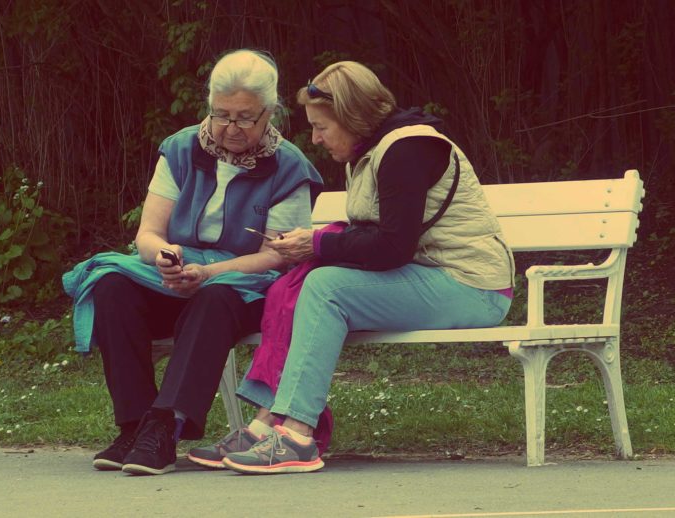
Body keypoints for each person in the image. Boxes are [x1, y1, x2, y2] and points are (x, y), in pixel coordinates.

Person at [216, 61, 515, 474]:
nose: (316, 138)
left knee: (326, 288)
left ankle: (297, 435)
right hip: (431, 277)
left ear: (352, 117)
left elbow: (392, 247)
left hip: (472, 287)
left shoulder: (408, 149)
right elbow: (374, 236)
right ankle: (267, 423)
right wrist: (315, 245)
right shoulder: (370, 151)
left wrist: (316, 243)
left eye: (322, 127)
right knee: (309, 285)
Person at [62, 49, 323, 476]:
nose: (231, 128)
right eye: (221, 115)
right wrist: (165, 257)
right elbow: (148, 234)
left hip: (244, 289)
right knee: (112, 286)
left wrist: (210, 273)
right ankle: (133, 426)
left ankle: (165, 427)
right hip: (179, 277)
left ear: (269, 113)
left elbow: (277, 256)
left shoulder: (289, 166)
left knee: (213, 299)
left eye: (245, 118)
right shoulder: (181, 148)